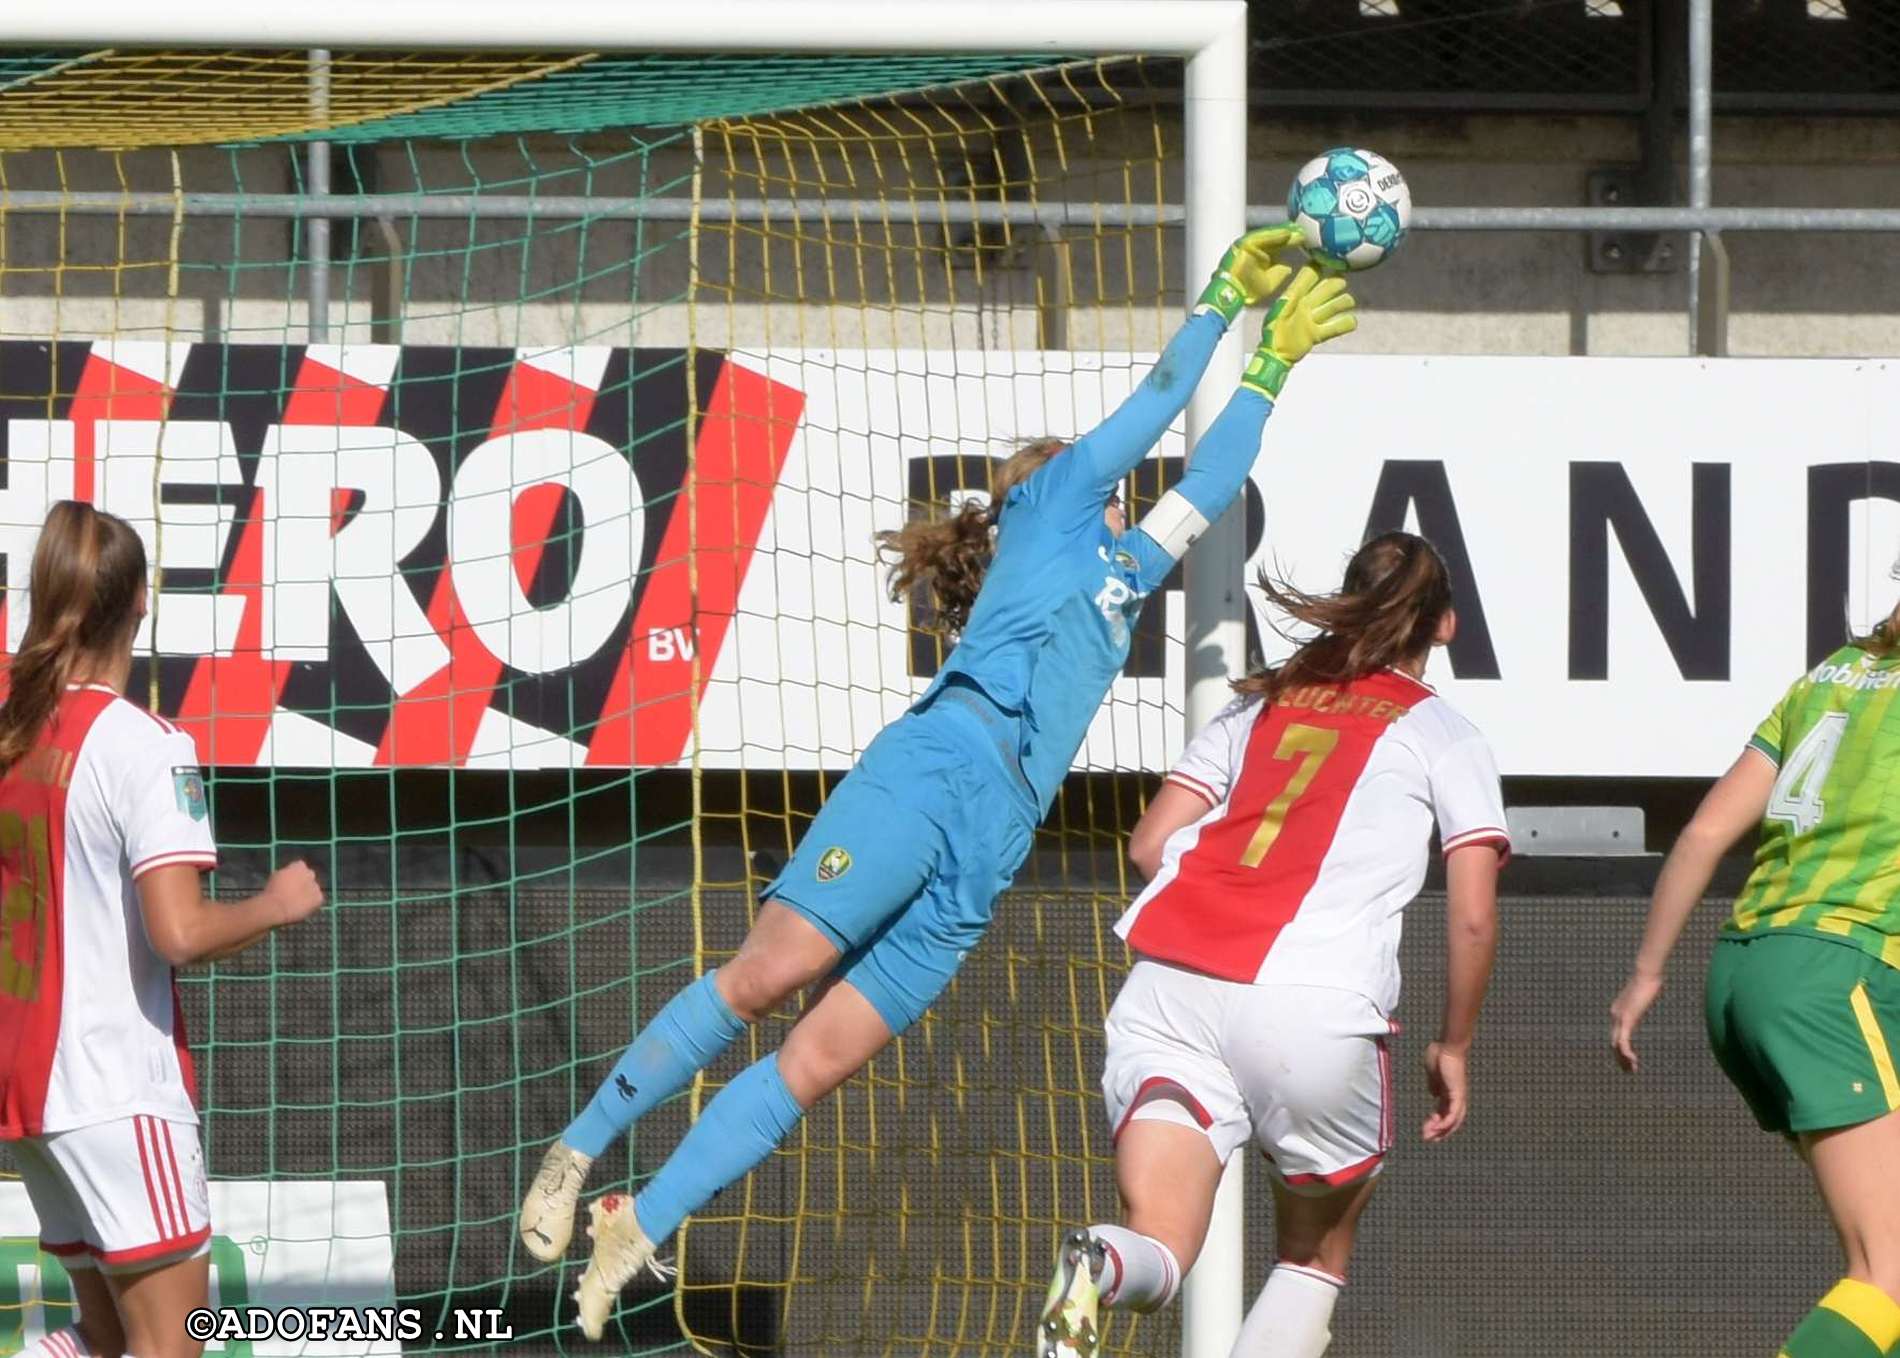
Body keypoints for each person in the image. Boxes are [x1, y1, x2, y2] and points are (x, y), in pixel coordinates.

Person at [517, 227, 1360, 1341]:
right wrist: (1218, 306)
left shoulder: (1122, 569)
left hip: (994, 835)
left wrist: (1272, 366)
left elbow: (1209, 480)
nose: (1118, 494)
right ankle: (576, 1147)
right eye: (1101, 483)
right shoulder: (1054, 501)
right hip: (935, 765)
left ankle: (644, 1218)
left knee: (816, 1063)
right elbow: (1157, 405)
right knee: (767, 978)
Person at [1039, 532, 1509, 1358]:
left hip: (1170, 991)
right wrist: (1456, 1044)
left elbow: (1150, 848)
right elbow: (1472, 915)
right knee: (1314, 1252)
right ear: (1445, 626)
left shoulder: (1257, 701)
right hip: (1310, 1004)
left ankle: (1103, 1265)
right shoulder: (1445, 732)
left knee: (1162, 1241)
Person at [0, 501, 325, 1358]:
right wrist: (277, 903)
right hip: (115, 1086)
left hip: (34, 1093)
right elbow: (177, 932)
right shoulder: (144, 746)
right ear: (141, 600)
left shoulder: (13, 728)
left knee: (100, 1340)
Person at [1610, 600, 1900, 1358]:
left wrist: (1646, 973)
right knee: (1888, 1275)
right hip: (1836, 974)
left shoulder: (1827, 678)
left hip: (1746, 973)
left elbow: (1706, 830)